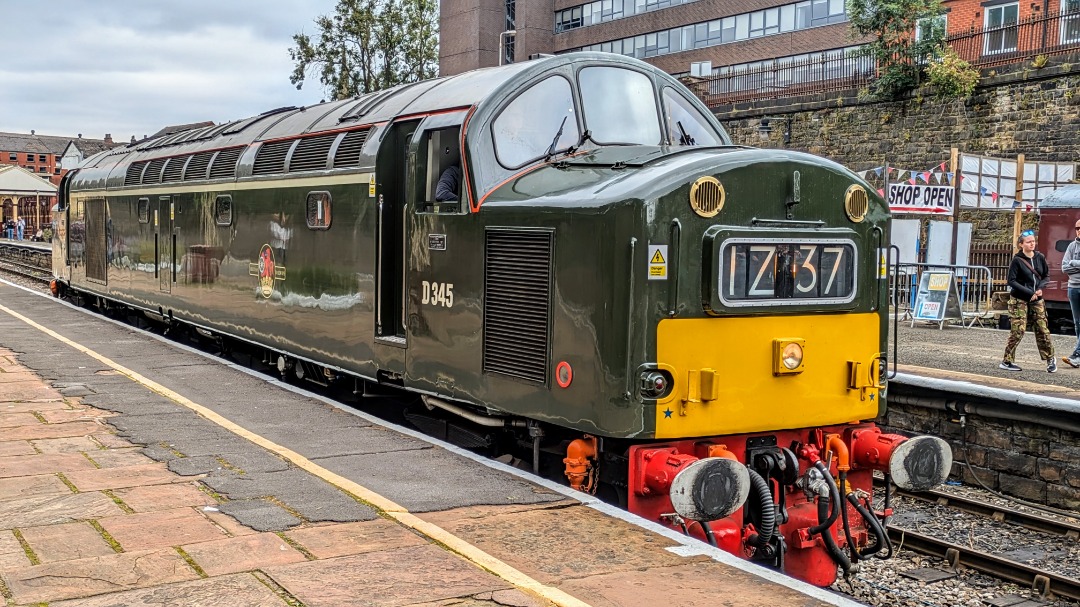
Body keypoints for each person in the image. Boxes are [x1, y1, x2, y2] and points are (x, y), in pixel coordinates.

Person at [1000, 229, 1055, 373]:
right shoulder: (1017, 260)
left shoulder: (1040, 257)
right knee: (1018, 330)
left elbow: (1046, 276)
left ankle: (1050, 359)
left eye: (1033, 241)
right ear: (1021, 245)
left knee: (1042, 329)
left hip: (1037, 299)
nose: (1032, 244)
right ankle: (1007, 360)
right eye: (1029, 242)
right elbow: (1011, 281)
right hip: (1019, 299)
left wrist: (1040, 288)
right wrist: (1028, 292)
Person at [1062, 220, 1080, 367]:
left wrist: (1073, 263)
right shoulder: (1071, 246)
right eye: (1077, 228)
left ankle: (1077, 354)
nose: (1079, 230)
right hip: (1073, 288)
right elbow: (1064, 267)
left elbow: (1069, 265)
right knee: (1077, 324)